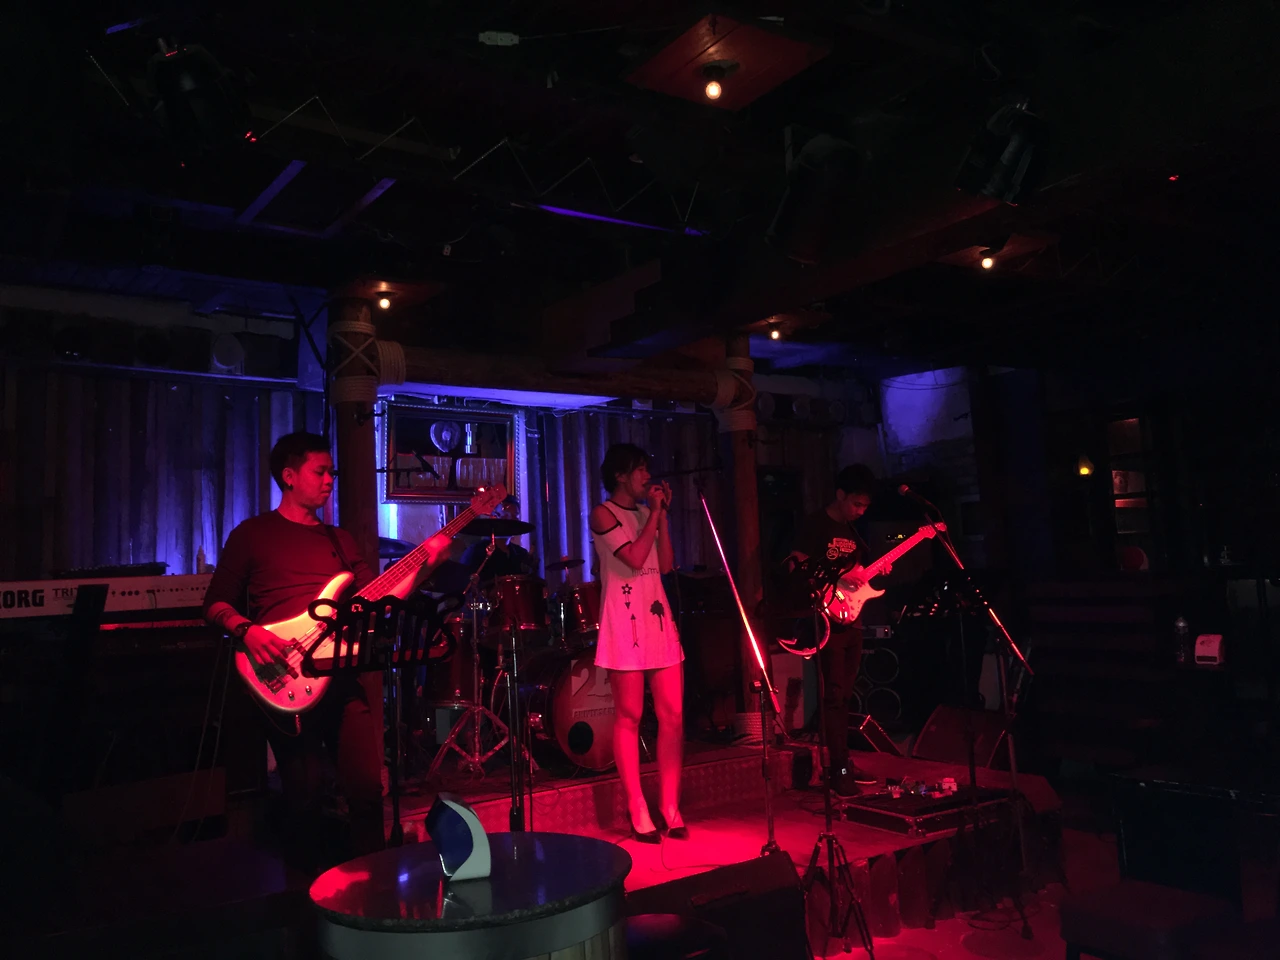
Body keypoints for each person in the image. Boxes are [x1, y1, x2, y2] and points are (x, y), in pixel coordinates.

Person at [203, 431, 432, 871]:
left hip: (341, 676)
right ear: (289, 476)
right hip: (283, 676)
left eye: (332, 472)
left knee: (367, 790)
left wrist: (428, 563)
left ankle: (374, 885)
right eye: (320, 471)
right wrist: (249, 632)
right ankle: (304, 892)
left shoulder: (339, 540)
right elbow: (214, 603)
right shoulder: (253, 534)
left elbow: (377, 599)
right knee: (304, 796)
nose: (330, 480)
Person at [590, 443, 685, 842]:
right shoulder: (603, 513)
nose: (647, 476)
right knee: (629, 715)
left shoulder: (648, 513)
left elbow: (664, 564)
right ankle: (637, 805)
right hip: (623, 622)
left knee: (673, 715)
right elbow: (633, 557)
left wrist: (661, 516)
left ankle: (670, 804)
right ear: (620, 476)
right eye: (640, 469)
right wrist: (653, 517)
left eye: (647, 468)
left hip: (657, 619)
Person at [789, 464, 884, 797]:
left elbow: (855, 577)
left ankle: (843, 762)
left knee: (843, 696)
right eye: (856, 504)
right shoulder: (815, 524)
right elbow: (796, 564)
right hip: (826, 620)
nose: (860, 511)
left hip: (851, 619)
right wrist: (837, 577)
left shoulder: (854, 532)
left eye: (865, 506)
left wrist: (872, 572)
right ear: (840, 494)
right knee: (833, 695)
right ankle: (839, 769)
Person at [460, 495, 536, 582]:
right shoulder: (475, 552)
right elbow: (465, 585)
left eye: (515, 516)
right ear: (493, 517)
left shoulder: (521, 554)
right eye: (506, 515)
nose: (511, 520)